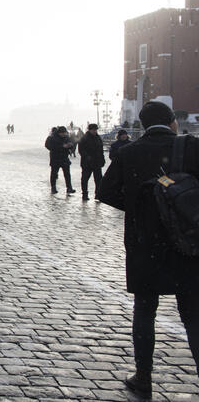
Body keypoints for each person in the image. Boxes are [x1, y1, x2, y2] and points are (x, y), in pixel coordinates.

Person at [98, 101, 199, 398]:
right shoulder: (191, 147)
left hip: (145, 243)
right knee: (193, 314)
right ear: (172, 122)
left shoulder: (129, 152)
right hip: (188, 241)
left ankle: (143, 376)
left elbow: (104, 192)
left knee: (145, 310)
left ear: (141, 125)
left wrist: (137, 204)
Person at [78, 123, 105, 200]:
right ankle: (85, 194)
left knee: (98, 179)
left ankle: (98, 194)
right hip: (87, 163)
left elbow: (101, 150)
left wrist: (102, 159)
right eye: (93, 130)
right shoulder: (84, 138)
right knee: (85, 179)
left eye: (96, 130)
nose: (94, 131)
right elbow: (81, 150)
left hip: (97, 162)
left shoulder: (98, 138)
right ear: (89, 130)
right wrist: (87, 157)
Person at [45, 126, 76, 194]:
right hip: (55, 158)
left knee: (67, 174)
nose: (64, 134)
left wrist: (70, 145)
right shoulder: (52, 138)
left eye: (65, 133)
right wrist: (61, 146)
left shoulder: (66, 137)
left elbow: (71, 144)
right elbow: (48, 146)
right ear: (59, 133)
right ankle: (53, 188)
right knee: (54, 173)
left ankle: (69, 188)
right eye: (63, 133)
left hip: (64, 158)